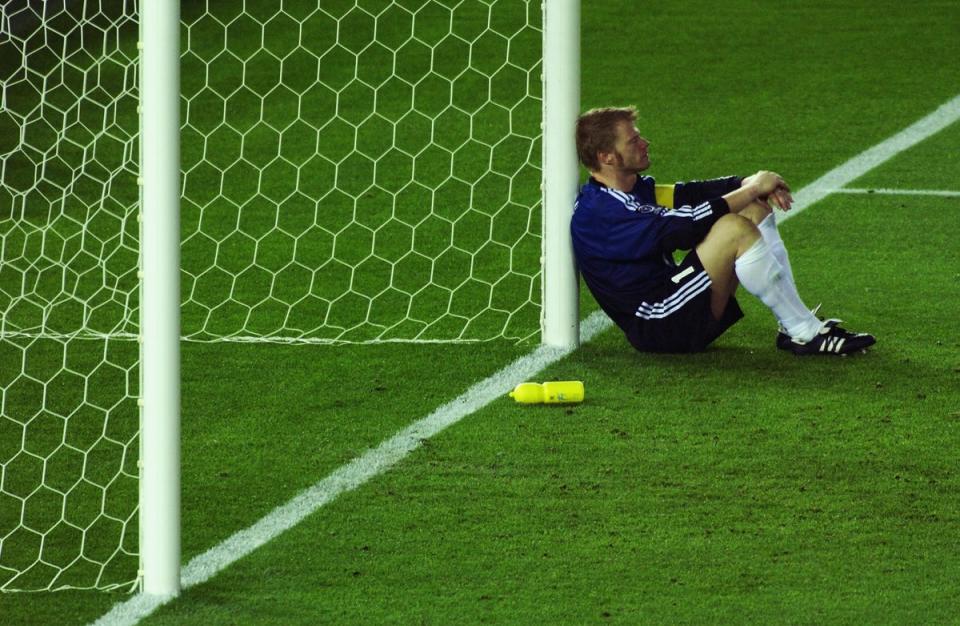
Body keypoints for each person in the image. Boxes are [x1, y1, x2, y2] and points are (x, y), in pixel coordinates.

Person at [570, 106, 875, 355]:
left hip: (675, 300)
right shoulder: (601, 213)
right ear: (606, 157)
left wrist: (744, 185)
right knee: (734, 228)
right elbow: (684, 228)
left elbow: (689, 194)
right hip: (660, 323)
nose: (645, 143)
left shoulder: (630, 189)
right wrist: (755, 186)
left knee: (751, 208)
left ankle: (793, 326)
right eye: (633, 141)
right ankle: (805, 333)